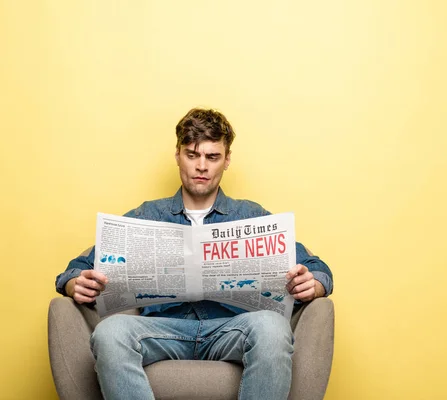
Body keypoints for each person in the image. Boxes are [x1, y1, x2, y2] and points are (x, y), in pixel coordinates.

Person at [55, 108, 333, 400]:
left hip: (230, 331)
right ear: (178, 155)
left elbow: (316, 266)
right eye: (192, 155)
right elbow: (77, 267)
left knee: (272, 326)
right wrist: (75, 281)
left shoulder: (250, 215)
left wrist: (315, 282)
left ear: (226, 160)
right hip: (163, 332)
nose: (202, 166)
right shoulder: (147, 215)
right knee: (109, 332)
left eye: (212, 157)